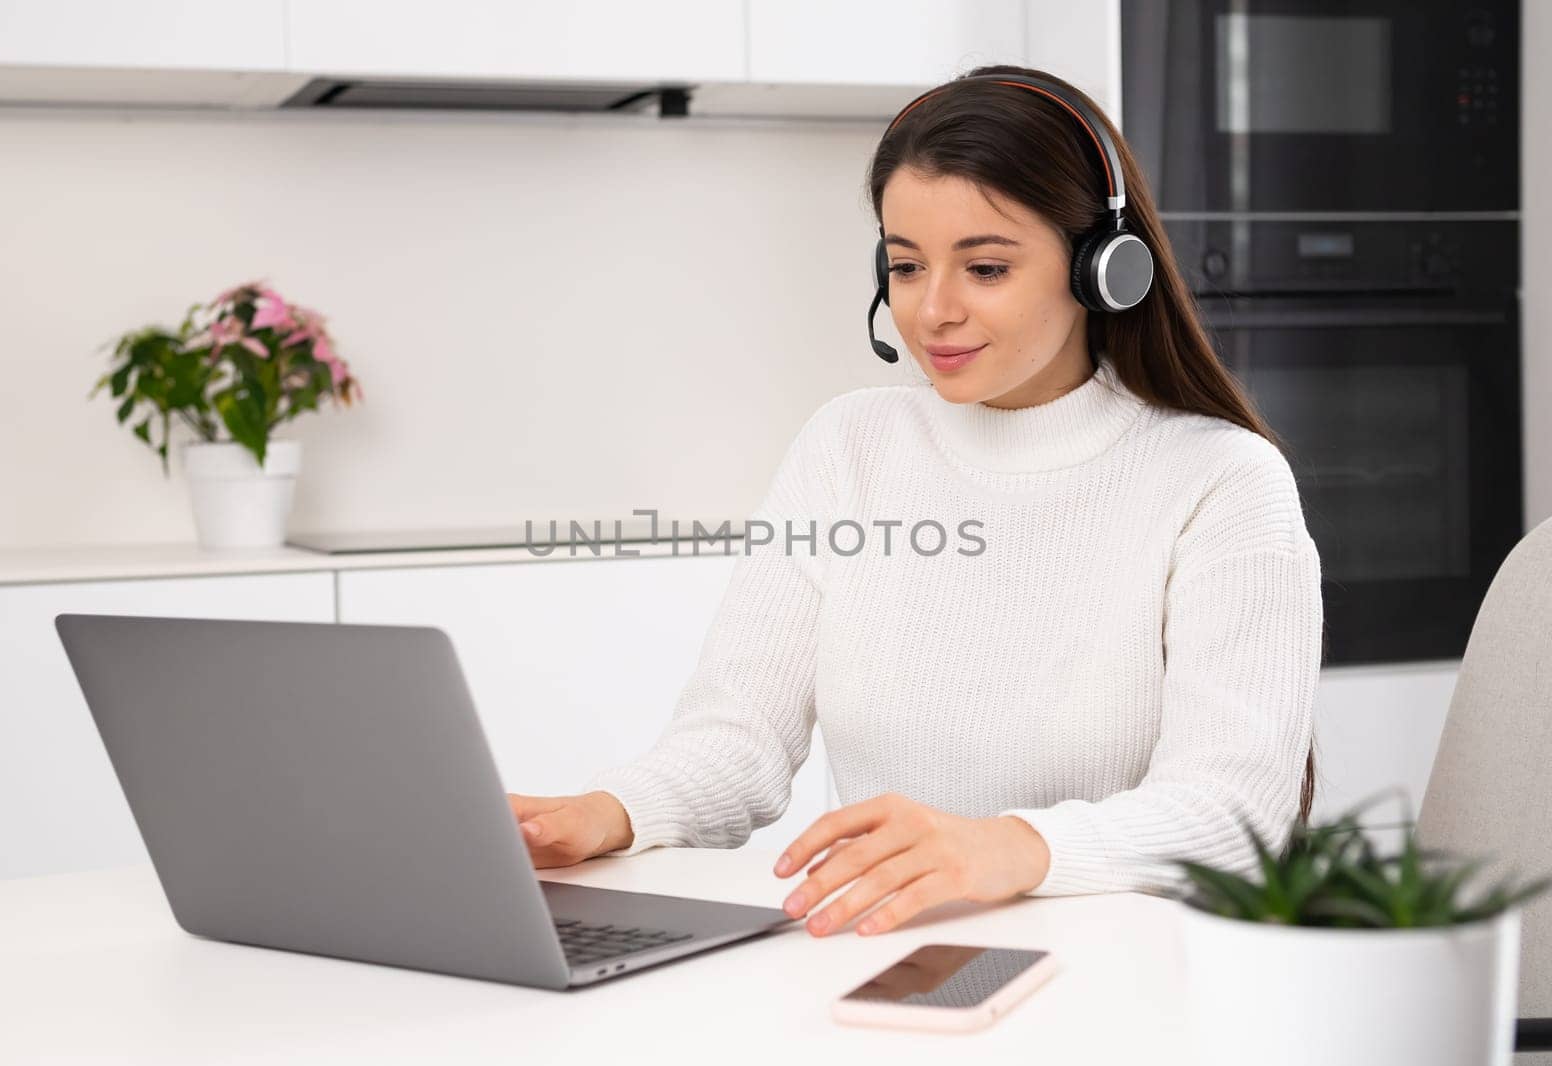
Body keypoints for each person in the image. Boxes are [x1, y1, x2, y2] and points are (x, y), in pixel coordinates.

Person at [508, 65, 1323, 940]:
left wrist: (1010, 849)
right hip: (873, 955)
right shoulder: (849, 446)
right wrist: (608, 812)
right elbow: (740, 736)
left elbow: (1237, 815)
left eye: (984, 267)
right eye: (905, 265)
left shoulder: (1221, 481)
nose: (932, 310)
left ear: (1102, 270)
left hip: (1121, 981)